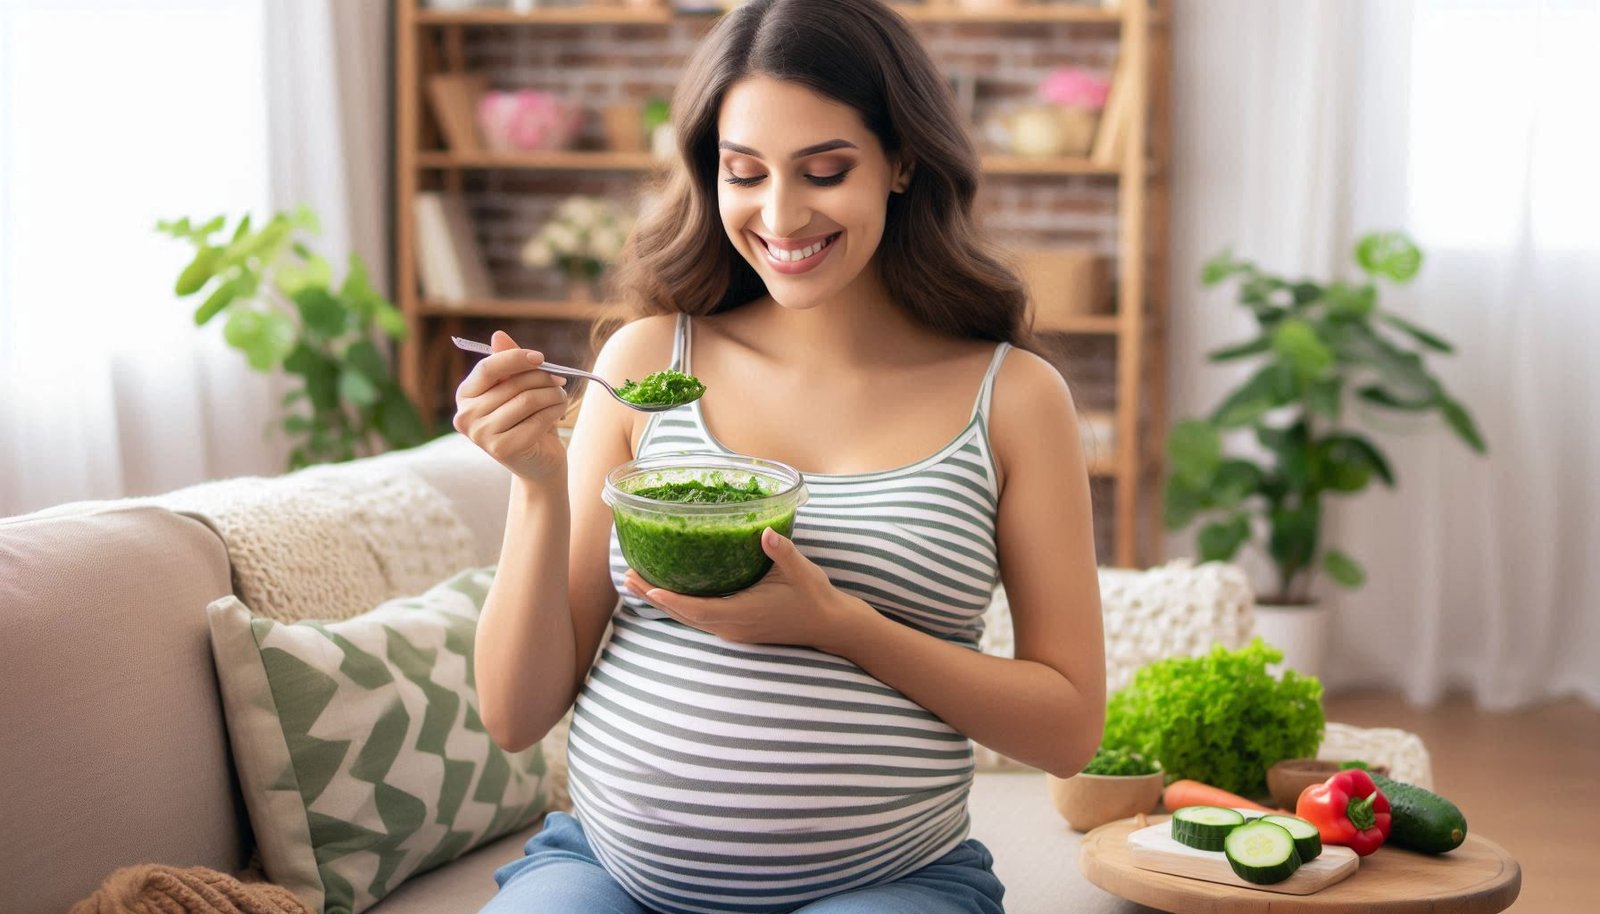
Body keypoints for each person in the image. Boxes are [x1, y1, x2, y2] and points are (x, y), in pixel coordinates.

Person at [453, 1, 1104, 911]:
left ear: (902, 160)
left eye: (826, 170)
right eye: (744, 173)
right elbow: (515, 718)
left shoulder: (1014, 398)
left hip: (888, 883)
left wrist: (836, 623)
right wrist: (535, 484)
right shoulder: (645, 364)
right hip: (603, 873)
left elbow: (1070, 730)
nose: (781, 214)